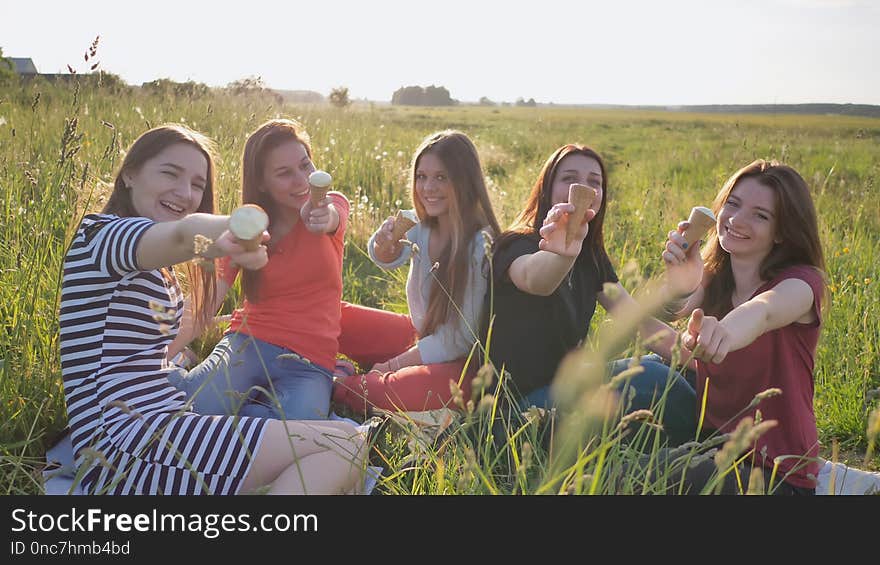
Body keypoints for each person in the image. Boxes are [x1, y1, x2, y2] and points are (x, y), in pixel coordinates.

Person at [60, 124, 366, 494]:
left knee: (342, 443)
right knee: (344, 445)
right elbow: (181, 235)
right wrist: (232, 232)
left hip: (156, 426)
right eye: (170, 173)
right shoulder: (101, 235)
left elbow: (148, 337)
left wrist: (170, 355)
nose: (185, 193)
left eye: (197, 184)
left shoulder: (154, 268)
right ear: (130, 173)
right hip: (128, 444)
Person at [648, 159, 827, 495]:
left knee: (650, 477)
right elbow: (672, 311)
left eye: (761, 215)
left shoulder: (802, 284)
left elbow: (763, 312)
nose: (736, 220)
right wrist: (680, 286)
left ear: (783, 231)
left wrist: (723, 333)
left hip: (776, 476)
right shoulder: (716, 274)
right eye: (733, 204)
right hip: (714, 444)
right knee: (638, 383)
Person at [485, 144, 690, 431]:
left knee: (667, 363)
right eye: (569, 178)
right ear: (547, 189)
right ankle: (715, 438)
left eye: (595, 182)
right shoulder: (515, 244)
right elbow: (536, 279)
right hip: (520, 408)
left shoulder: (590, 257)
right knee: (655, 377)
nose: (582, 188)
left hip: (568, 386)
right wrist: (562, 255)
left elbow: (635, 320)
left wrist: (696, 358)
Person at [168, 119, 349, 421]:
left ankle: (246, 411)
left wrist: (322, 216)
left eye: (306, 166)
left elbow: (331, 216)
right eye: (284, 173)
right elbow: (206, 303)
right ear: (262, 182)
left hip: (311, 362)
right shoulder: (246, 228)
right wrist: (159, 354)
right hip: (248, 343)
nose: (302, 180)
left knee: (293, 434)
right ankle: (178, 369)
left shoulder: (331, 206)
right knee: (192, 412)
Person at [332, 130, 502, 415]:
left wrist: (393, 365)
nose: (427, 188)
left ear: (465, 181)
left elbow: (460, 340)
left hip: (463, 366)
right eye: (421, 177)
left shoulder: (480, 245)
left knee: (376, 389)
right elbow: (382, 253)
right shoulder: (422, 225)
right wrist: (385, 246)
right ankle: (313, 353)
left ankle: (339, 383)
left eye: (441, 177)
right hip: (420, 335)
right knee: (335, 315)